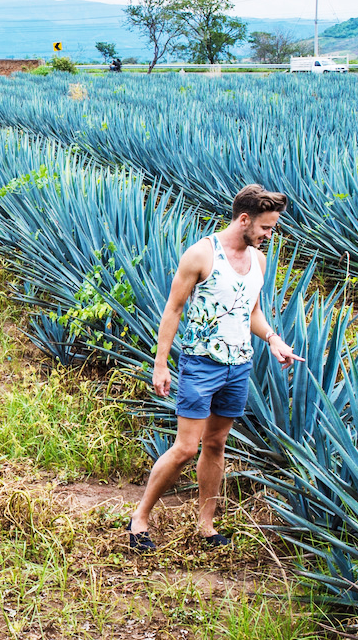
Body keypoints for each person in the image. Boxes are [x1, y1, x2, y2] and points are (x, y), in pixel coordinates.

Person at [127, 184, 302, 552]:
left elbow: (251, 312)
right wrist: (161, 364)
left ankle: (206, 524)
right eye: (266, 228)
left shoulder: (259, 261)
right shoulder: (201, 255)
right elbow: (173, 309)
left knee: (216, 443)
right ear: (244, 219)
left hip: (238, 366)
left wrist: (273, 339)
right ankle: (140, 517)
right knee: (186, 448)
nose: (269, 235)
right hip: (200, 364)